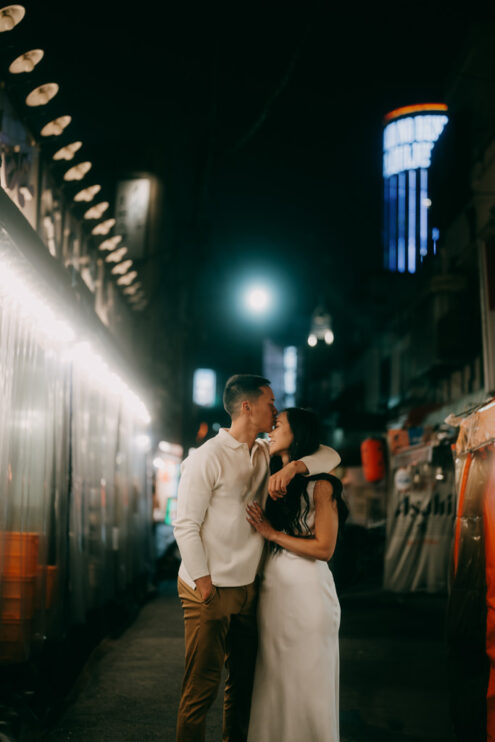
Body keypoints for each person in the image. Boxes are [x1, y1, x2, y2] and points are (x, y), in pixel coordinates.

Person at [173, 375, 340, 742]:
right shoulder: (207, 457)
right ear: (247, 407)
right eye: (270, 403)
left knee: (242, 689)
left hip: (250, 588)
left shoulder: (265, 451)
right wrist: (203, 584)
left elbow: (330, 454)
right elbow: (184, 525)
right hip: (210, 589)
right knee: (200, 691)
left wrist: (295, 467)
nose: (275, 409)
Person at [246, 407, 347, 742]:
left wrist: (272, 533)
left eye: (278, 425)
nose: (271, 431)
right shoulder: (267, 464)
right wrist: (288, 467)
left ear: (298, 433)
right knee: (275, 677)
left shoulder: (322, 484)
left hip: (307, 592)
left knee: (307, 680)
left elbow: (324, 549)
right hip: (274, 590)